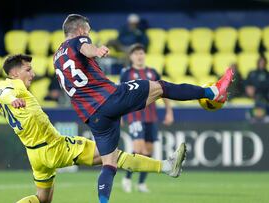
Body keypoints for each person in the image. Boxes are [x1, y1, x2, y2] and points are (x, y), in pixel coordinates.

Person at [0, 54, 187, 203]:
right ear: (15, 73)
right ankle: (166, 166)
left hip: (35, 155)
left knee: (42, 200)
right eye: (28, 70)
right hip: (56, 147)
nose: (32, 74)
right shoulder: (14, 87)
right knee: (113, 156)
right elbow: (10, 94)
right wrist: (14, 100)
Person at [53, 14, 234, 203]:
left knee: (109, 164)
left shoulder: (56, 57)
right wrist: (97, 50)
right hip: (109, 98)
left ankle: (104, 201)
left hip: (92, 115)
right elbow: (86, 47)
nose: (88, 33)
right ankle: (213, 92)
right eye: (88, 31)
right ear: (81, 30)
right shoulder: (78, 39)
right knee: (161, 87)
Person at [120, 43, 174, 193]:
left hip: (151, 116)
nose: (139, 56)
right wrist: (119, 114)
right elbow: (121, 95)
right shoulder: (126, 73)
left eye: (141, 53)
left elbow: (164, 92)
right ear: (131, 57)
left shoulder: (153, 73)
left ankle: (141, 183)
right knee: (138, 149)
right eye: (136, 53)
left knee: (148, 151)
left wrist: (169, 111)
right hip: (134, 116)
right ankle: (127, 179)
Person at [245, 55, 269, 121]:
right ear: (257, 63)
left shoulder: (267, 74)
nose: (262, 64)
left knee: (262, 100)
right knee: (260, 100)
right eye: (260, 62)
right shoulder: (252, 73)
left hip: (265, 95)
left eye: (263, 63)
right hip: (254, 95)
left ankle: (254, 114)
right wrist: (249, 90)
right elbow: (247, 85)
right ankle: (262, 115)